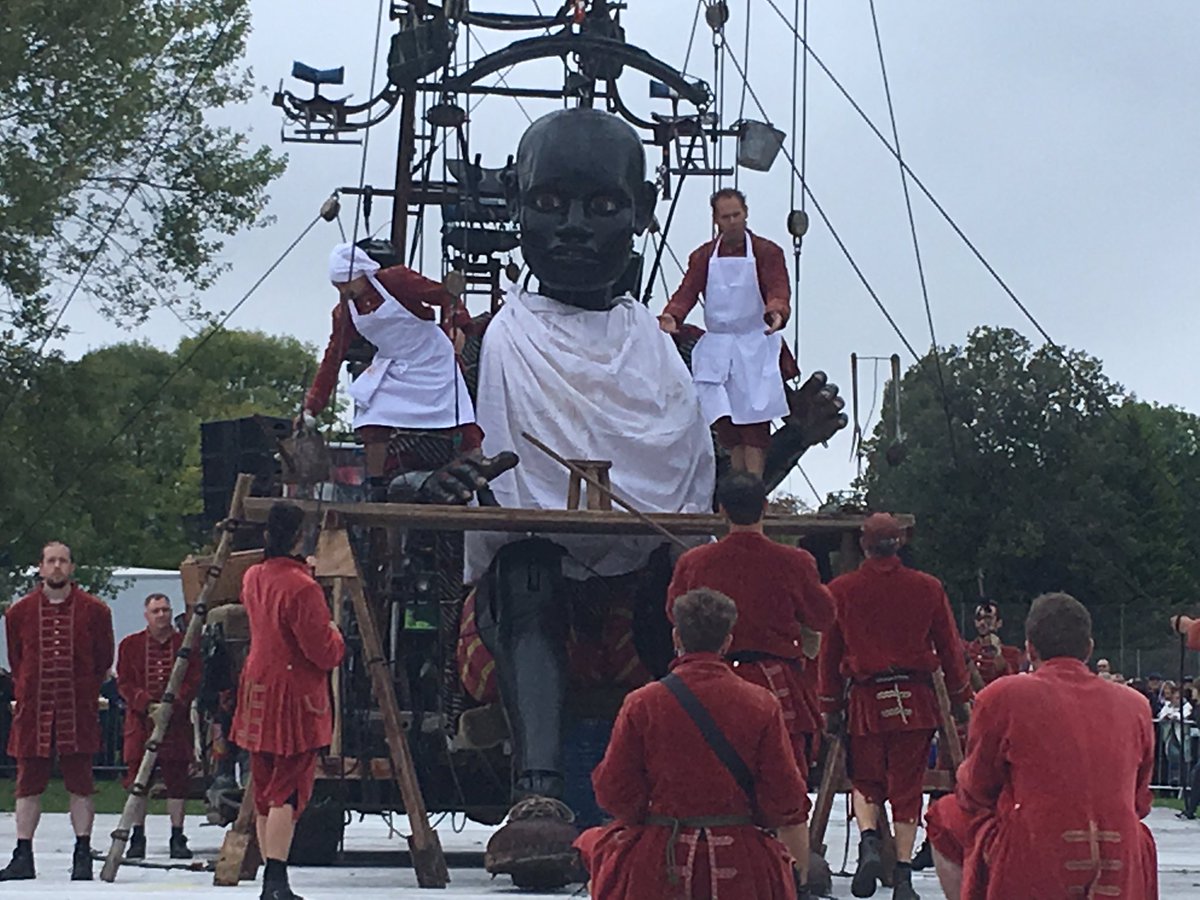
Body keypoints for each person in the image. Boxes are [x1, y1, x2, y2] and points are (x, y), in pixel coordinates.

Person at [577, 587, 815, 899]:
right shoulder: (761, 703)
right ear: (727, 642)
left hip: (660, 862)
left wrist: (647, 817)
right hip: (740, 863)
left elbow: (613, 790)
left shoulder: (642, 703)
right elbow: (785, 796)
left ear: (677, 637)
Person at [925, 593, 1158, 899]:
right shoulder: (1136, 705)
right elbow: (1140, 801)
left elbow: (976, 790)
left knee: (943, 815)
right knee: (1138, 835)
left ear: (1029, 648)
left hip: (1036, 855)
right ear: (1088, 649)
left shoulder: (1002, 695)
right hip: (1118, 855)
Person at [818, 514, 971, 900]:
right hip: (915, 701)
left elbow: (829, 653)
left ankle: (869, 839)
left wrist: (830, 704)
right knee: (907, 788)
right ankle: (902, 875)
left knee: (866, 780)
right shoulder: (928, 588)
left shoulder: (841, 589)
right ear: (899, 543)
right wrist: (960, 697)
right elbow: (950, 649)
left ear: (865, 545)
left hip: (867, 699)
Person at [666, 471, 835, 770]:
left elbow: (673, 613)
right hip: (775, 682)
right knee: (783, 774)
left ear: (722, 510)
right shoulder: (796, 562)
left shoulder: (694, 562)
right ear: (765, 506)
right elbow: (822, 616)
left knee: (708, 768)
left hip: (709, 680)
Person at [303, 242, 482, 499]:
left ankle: (479, 470)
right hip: (395, 362)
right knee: (371, 414)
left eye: (346, 283)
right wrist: (313, 405)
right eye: (338, 286)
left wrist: (457, 325)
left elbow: (445, 295)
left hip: (431, 354)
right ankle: (376, 485)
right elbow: (333, 358)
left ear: (361, 274)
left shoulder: (396, 280)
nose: (343, 291)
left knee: (458, 413)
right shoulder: (345, 312)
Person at [231, 503, 346, 900]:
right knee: (288, 789)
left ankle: (271, 875)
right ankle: (276, 880)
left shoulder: (253, 576)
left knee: (264, 788)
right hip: (294, 694)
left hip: (257, 684)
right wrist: (336, 633)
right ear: (299, 536)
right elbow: (323, 650)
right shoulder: (303, 587)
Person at [0, 541, 114, 882]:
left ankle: (83, 852)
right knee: (27, 784)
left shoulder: (95, 611)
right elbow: (16, 659)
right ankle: (23, 854)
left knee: (80, 782)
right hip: (34, 709)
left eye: (63, 561)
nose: (57, 567)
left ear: (72, 567)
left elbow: (104, 660)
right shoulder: (18, 612)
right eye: (51, 561)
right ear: (40, 567)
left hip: (76, 708)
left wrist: (83, 688)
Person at [658, 188, 793, 476]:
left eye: (737, 215)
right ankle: (738, 488)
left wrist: (777, 311)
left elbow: (778, 287)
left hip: (756, 343)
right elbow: (687, 291)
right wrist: (672, 315)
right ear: (715, 220)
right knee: (727, 426)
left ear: (746, 213)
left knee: (755, 424)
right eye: (726, 217)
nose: (732, 221)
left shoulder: (767, 252)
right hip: (718, 347)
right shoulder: (703, 256)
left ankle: (753, 490)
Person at [116, 592, 201, 860]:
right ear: (146, 614)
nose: (162, 615)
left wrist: (172, 704)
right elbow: (125, 682)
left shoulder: (185, 645)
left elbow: (194, 678)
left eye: (165, 610)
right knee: (139, 781)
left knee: (177, 781)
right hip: (140, 724)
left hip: (175, 725)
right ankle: (137, 836)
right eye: (156, 611)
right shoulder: (130, 645)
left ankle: (177, 835)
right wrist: (146, 704)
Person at [964, 602, 1022, 685]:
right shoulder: (968, 650)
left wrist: (997, 652)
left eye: (988, 618)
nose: (982, 623)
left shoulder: (1012, 654)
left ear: (999, 623)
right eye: (979, 618)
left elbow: (1010, 681)